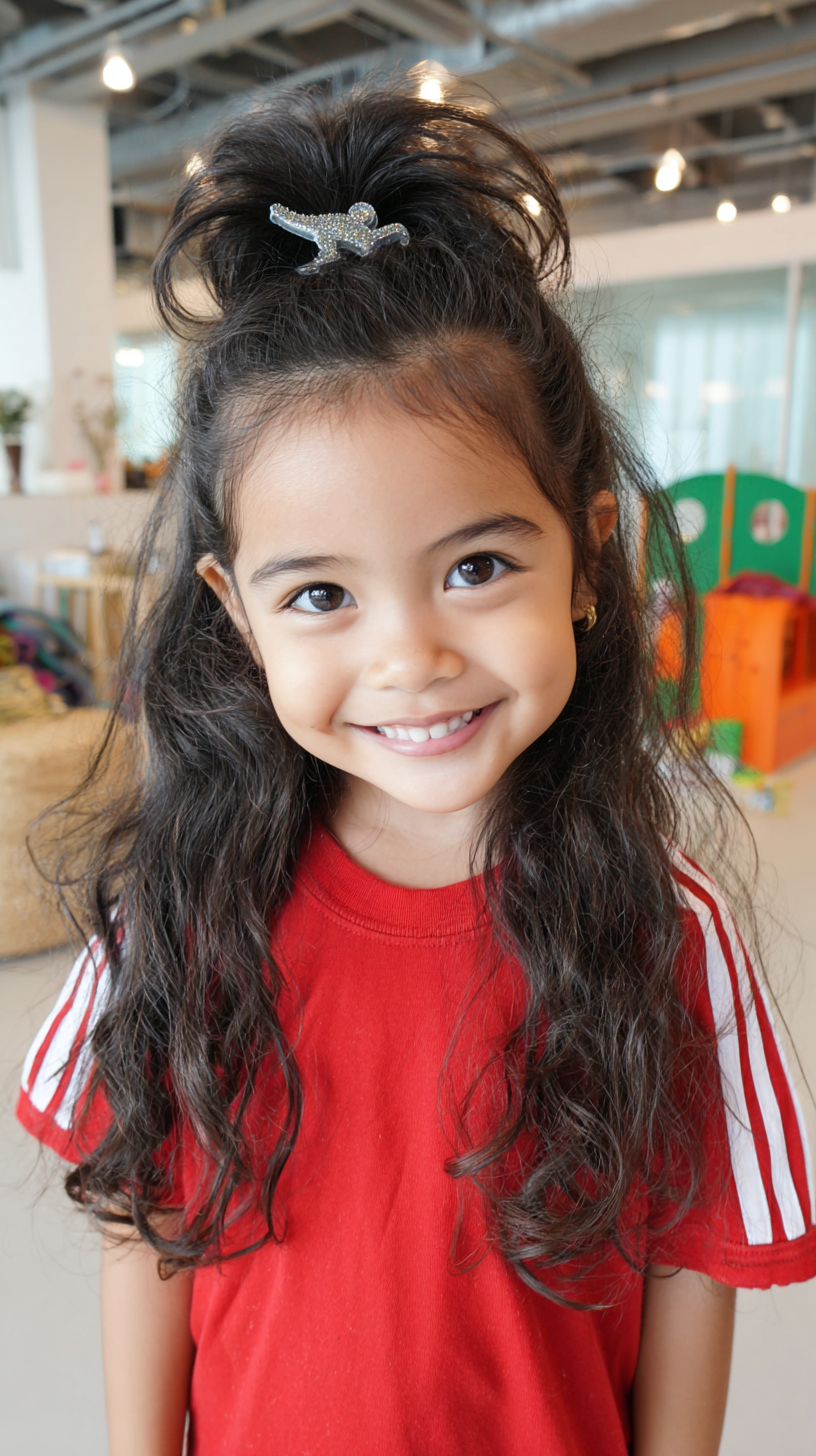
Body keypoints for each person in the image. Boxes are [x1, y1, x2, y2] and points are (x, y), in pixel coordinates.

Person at [17, 84, 816, 1456]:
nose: (410, 656)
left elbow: (692, 1271)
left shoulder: (663, 932)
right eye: (321, 595)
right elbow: (144, 1225)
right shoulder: (181, 908)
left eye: (477, 566)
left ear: (589, 556)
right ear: (235, 604)